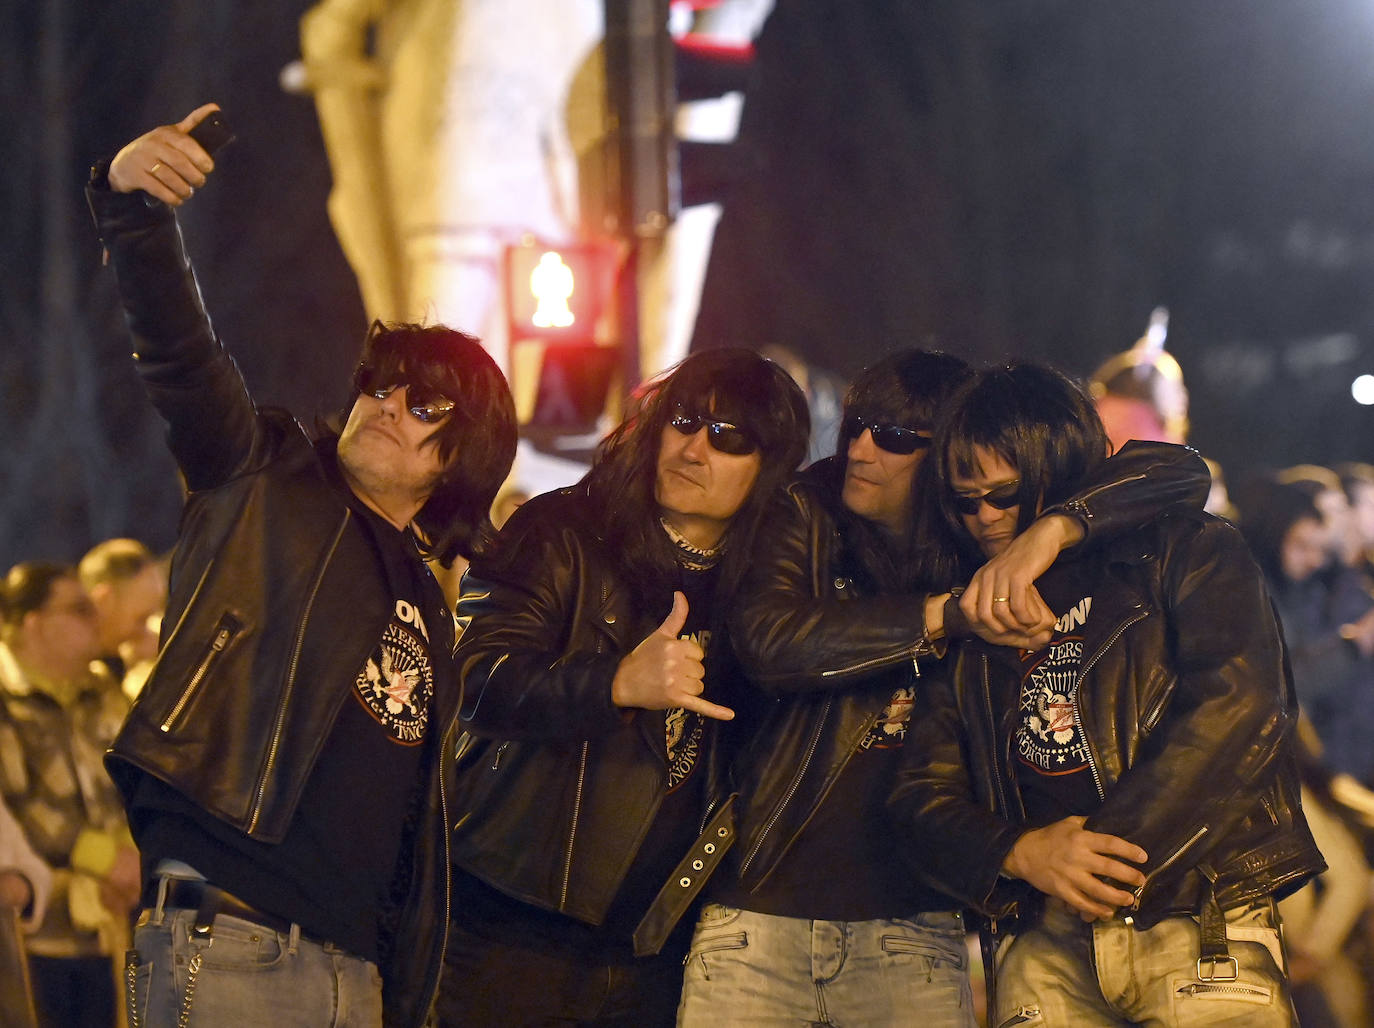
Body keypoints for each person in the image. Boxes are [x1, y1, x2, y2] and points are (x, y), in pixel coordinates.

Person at [86, 104, 518, 1028]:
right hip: (232, 943)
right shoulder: (263, 476)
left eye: (427, 400)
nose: (388, 401)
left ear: (462, 455)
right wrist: (131, 207)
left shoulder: (430, 599)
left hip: (356, 978)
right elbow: (178, 355)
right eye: (381, 381)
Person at [676, 350, 1214, 1027]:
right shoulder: (809, 510)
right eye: (857, 427)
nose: (863, 449)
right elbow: (772, 640)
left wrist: (1052, 528)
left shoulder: (986, 533)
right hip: (761, 914)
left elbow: (1179, 469)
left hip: (914, 929)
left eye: (896, 437)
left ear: (950, 457)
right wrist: (947, 614)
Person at [889, 362, 1325, 1026]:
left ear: (1056, 469)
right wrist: (1022, 852)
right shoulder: (975, 612)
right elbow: (921, 793)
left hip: (1192, 912)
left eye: (1003, 495)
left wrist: (1104, 853)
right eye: (964, 501)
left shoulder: (1184, 549)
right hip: (1043, 940)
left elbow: (1240, 705)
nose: (983, 518)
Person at [438, 348, 810, 1027]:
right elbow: (473, 680)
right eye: (685, 421)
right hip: (511, 924)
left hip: (658, 949)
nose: (695, 449)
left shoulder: (764, 591)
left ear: (769, 469)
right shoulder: (563, 530)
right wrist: (612, 683)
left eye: (729, 439)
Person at [0, 562, 137, 1028]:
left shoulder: (100, 688)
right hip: (34, 936)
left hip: (106, 926)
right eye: (78, 609)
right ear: (33, 624)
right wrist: (106, 860)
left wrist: (133, 856)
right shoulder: (5, 697)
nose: (94, 618)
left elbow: (134, 781)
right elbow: (17, 807)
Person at [78, 538, 167, 685]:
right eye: (142, 619)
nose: (150, 631)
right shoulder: (77, 670)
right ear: (104, 599)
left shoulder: (122, 660)